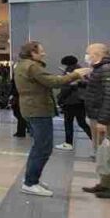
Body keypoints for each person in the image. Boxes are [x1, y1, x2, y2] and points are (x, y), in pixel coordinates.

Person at [14, 41, 88, 197]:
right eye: (41, 51)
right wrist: (76, 74)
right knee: (43, 148)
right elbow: (54, 82)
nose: (44, 53)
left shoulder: (22, 65)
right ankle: (30, 183)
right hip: (38, 110)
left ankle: (31, 179)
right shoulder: (32, 66)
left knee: (38, 146)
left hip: (31, 108)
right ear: (32, 53)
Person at [81, 43, 110, 200]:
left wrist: (103, 120)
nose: (87, 56)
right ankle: (105, 183)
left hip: (108, 119)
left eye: (88, 53)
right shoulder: (102, 68)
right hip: (100, 117)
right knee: (103, 152)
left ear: (97, 53)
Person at [56, 55, 92, 152]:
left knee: (68, 122)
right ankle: (96, 141)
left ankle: (68, 143)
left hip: (70, 101)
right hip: (81, 100)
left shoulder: (70, 71)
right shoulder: (81, 70)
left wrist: (60, 99)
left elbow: (66, 87)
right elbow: (87, 83)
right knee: (82, 122)